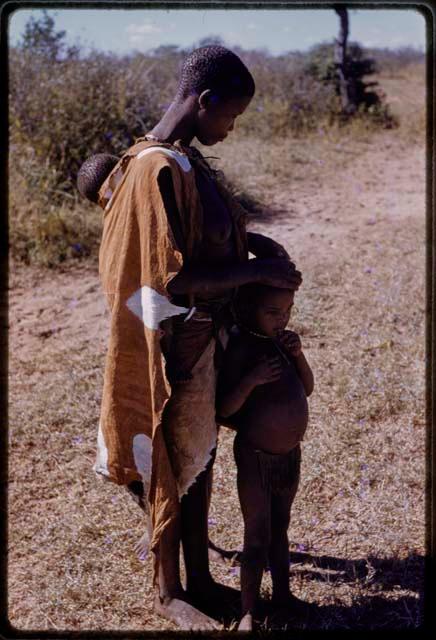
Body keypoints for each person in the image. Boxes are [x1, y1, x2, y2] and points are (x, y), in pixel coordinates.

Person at [79, 45, 302, 630]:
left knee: (194, 464)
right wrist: (256, 273)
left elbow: (207, 242)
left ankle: (200, 577)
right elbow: (168, 277)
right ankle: (168, 591)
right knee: (167, 466)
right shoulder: (153, 167)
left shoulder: (183, 161)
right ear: (204, 101)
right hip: (170, 347)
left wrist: (258, 252)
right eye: (230, 116)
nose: (230, 129)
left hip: (200, 341)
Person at [216, 283, 314, 631]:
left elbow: (307, 387)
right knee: (256, 535)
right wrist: (252, 380)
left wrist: (298, 354)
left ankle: (283, 597)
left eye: (287, 311)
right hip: (256, 458)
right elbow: (224, 407)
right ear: (248, 310)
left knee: (281, 529)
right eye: (273, 312)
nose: (282, 319)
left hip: (289, 456)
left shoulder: (282, 344)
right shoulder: (242, 348)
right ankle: (249, 611)